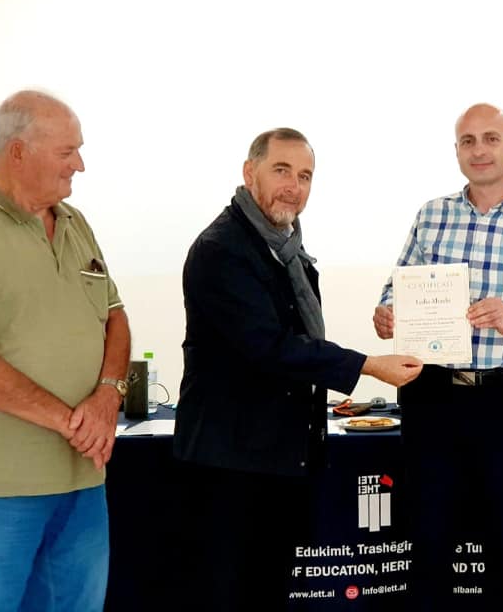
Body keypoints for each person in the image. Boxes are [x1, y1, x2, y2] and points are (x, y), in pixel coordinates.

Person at [173, 127, 423, 611]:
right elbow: (270, 347)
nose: (294, 186)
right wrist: (369, 365)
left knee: (268, 594)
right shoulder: (222, 249)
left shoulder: (290, 252)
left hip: (280, 459)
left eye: (305, 175)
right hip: (231, 465)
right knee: (230, 595)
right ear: (250, 173)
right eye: (282, 170)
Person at [373, 103, 503, 610]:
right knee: (428, 537)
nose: (479, 150)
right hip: (431, 395)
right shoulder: (431, 215)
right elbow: (396, 288)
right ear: (457, 150)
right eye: (468, 140)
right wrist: (388, 313)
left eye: (491, 138)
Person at [0, 90, 132, 612]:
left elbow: (114, 316)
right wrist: (71, 421)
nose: (80, 165)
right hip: (2, 487)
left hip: (83, 480)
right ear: (18, 152)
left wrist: (108, 396)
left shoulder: (75, 222)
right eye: (67, 152)